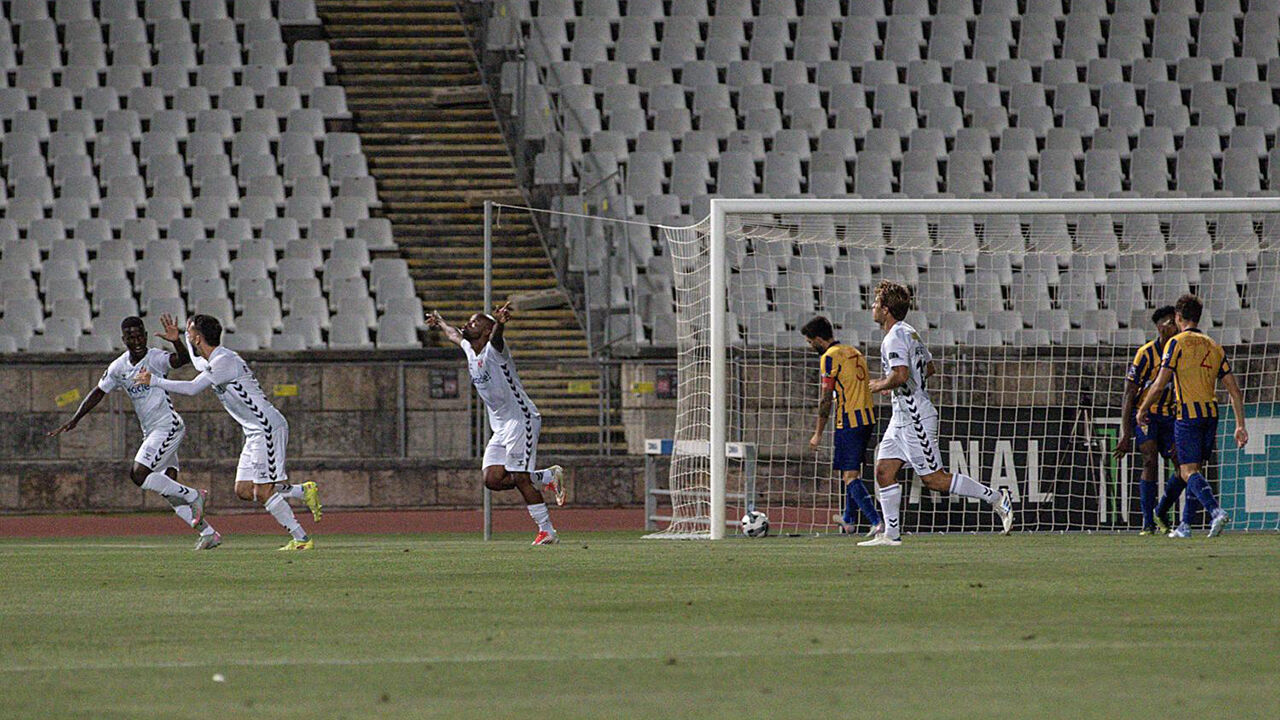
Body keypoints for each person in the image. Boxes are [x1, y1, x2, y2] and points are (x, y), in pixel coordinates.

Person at [135, 314, 322, 550]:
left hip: (267, 428)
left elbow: (193, 388)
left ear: (199, 337)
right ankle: (301, 491)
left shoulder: (225, 361)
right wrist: (178, 339)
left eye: (190, 331)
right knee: (244, 490)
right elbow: (196, 362)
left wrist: (155, 381)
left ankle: (301, 539)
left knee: (264, 491)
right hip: (253, 432)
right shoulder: (213, 359)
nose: (188, 333)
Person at [858, 281, 1014, 547]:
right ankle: (892, 535)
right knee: (884, 470)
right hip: (901, 417)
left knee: (934, 480)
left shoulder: (894, 336)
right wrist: (897, 386)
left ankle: (996, 498)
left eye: (876, 303)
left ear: (886, 310)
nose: (872, 307)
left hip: (916, 418)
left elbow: (901, 374)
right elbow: (929, 368)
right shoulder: (910, 332)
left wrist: (881, 384)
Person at [49, 315, 221, 549]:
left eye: (140, 335)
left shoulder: (155, 358)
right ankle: (208, 534)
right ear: (124, 339)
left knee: (138, 474)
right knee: (169, 490)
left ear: (146, 336)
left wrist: (177, 341)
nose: (137, 340)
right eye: (131, 337)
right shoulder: (119, 367)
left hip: (168, 426)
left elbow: (180, 360)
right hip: (151, 432)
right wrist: (75, 418)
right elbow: (98, 391)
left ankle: (194, 495)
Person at [428, 303, 565, 545]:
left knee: (520, 477)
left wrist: (500, 324)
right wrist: (439, 322)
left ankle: (547, 531)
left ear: (486, 331)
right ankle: (546, 477)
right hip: (500, 426)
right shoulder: (471, 350)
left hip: (521, 419)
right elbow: (453, 334)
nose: (468, 325)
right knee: (492, 479)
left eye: (474, 323)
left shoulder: (495, 350)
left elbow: (498, 338)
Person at [1136, 294, 1247, 538]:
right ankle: (1184, 525)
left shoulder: (1176, 343)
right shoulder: (1213, 345)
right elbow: (1234, 390)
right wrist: (1240, 425)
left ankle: (1215, 510)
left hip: (1187, 414)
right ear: (1198, 317)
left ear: (1178, 318)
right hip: (1211, 414)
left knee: (1188, 471)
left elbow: (1159, 383)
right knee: (1193, 469)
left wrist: (1143, 408)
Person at [1113, 306, 1198, 534]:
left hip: (1171, 416)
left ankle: (1161, 511)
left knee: (1183, 465)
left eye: (1175, 322)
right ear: (1160, 327)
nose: (1173, 326)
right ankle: (1147, 523)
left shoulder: (1181, 351)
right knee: (1149, 459)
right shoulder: (1145, 354)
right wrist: (1126, 433)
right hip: (1146, 415)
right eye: (1169, 322)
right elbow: (1129, 393)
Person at [800, 315, 882, 537]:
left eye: (810, 342)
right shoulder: (854, 351)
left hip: (849, 419)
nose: (810, 346)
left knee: (850, 477)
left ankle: (876, 522)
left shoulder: (829, 357)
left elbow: (826, 398)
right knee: (850, 471)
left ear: (818, 339)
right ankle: (848, 519)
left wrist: (817, 434)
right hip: (867, 418)